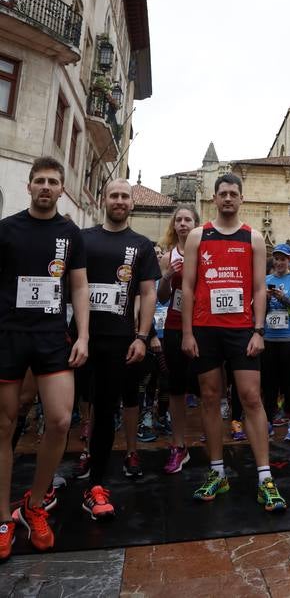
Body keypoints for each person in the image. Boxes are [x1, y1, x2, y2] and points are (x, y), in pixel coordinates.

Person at [0, 157, 89, 560]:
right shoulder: (7, 229)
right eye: (40, 181)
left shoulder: (70, 233)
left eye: (53, 181)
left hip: (53, 336)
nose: (46, 187)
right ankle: (3, 517)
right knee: (4, 426)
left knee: (58, 420)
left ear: (62, 188)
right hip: (9, 335)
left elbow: (79, 288)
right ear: (29, 186)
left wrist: (83, 335)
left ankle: (34, 504)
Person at [181, 174, 286, 512]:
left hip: (242, 329)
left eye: (233, 194)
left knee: (251, 398)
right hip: (204, 327)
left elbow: (259, 288)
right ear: (214, 198)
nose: (227, 198)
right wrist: (186, 333)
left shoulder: (253, 238)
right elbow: (187, 287)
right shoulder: (198, 235)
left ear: (242, 198)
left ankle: (265, 477)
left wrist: (259, 330)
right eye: (222, 193)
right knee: (210, 398)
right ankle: (216, 472)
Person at [79, 178, 160, 521]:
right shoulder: (83, 239)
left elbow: (148, 294)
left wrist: (141, 336)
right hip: (79, 338)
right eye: (113, 195)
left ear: (132, 203)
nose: (119, 200)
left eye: (125, 196)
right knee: (71, 410)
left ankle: (96, 484)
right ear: (103, 199)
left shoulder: (141, 245)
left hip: (118, 341)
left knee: (107, 408)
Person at [157, 204, 200, 473]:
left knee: (209, 388)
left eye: (188, 220)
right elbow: (161, 297)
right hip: (173, 325)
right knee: (176, 388)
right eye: (179, 220)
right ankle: (178, 444)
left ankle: (213, 446)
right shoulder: (167, 256)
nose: (183, 224)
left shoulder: (205, 252)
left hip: (202, 325)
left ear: (196, 224)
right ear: (174, 225)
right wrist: (167, 276)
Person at [263, 244, 290, 441]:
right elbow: (260, 311)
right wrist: (264, 300)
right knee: (270, 382)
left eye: (283, 259)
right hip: (270, 338)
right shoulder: (266, 280)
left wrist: (283, 299)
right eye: (277, 258)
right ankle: (268, 421)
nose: (279, 262)